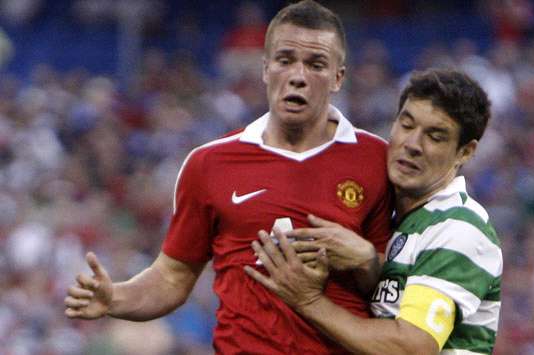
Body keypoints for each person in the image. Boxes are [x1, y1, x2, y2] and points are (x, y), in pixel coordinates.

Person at [64, 1, 393, 354]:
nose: (298, 76)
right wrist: (116, 296)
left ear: (338, 77)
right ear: (266, 69)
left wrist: (367, 261)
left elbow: (394, 292)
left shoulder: (378, 160)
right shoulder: (210, 163)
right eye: (285, 61)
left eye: (315, 65)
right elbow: (173, 277)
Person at [246, 69, 503, 354]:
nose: (413, 144)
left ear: (465, 152)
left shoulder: (458, 226)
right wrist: (369, 266)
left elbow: (411, 347)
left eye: (435, 136)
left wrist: (309, 301)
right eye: (406, 125)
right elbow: (393, 306)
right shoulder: (394, 222)